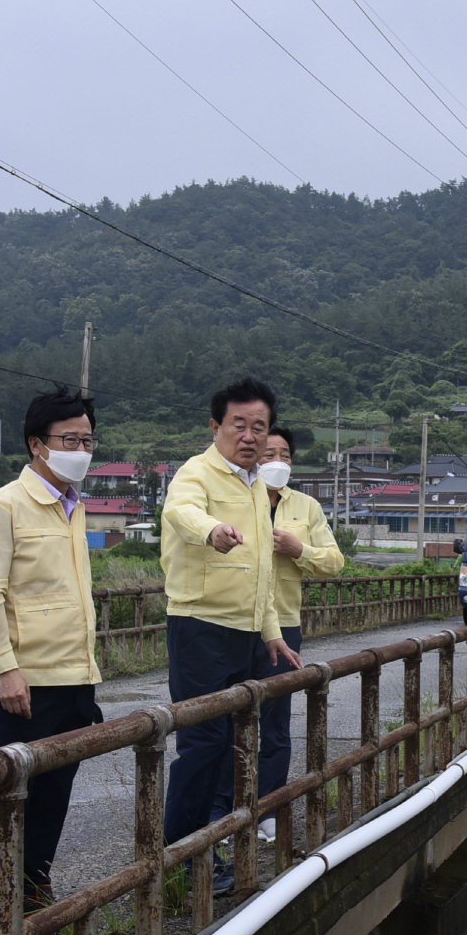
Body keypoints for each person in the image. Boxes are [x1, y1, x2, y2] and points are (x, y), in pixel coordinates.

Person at [0, 387, 104, 933]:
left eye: (87, 439)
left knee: (53, 795)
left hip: (74, 674)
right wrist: (5, 667)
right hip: (26, 679)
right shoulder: (3, 507)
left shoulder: (74, 505)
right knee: (9, 790)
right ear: (37, 444)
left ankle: (32, 892)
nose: (81, 449)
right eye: (70, 439)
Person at [159, 377, 302, 895]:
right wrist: (211, 531)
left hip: (246, 632)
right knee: (202, 742)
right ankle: (180, 857)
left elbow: (263, 572)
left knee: (233, 744)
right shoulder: (197, 473)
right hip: (200, 627)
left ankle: (210, 844)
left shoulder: (256, 486)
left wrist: (271, 634)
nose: (249, 435)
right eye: (238, 425)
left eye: (258, 427)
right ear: (216, 426)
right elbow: (181, 512)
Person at [257, 428, 343, 803]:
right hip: (241, 622)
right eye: (268, 453)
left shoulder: (307, 506)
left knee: (276, 721)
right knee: (227, 718)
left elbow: (334, 562)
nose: (278, 461)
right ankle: (222, 813)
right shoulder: (233, 501)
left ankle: (269, 808)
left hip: (286, 624)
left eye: (285, 454)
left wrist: (299, 548)